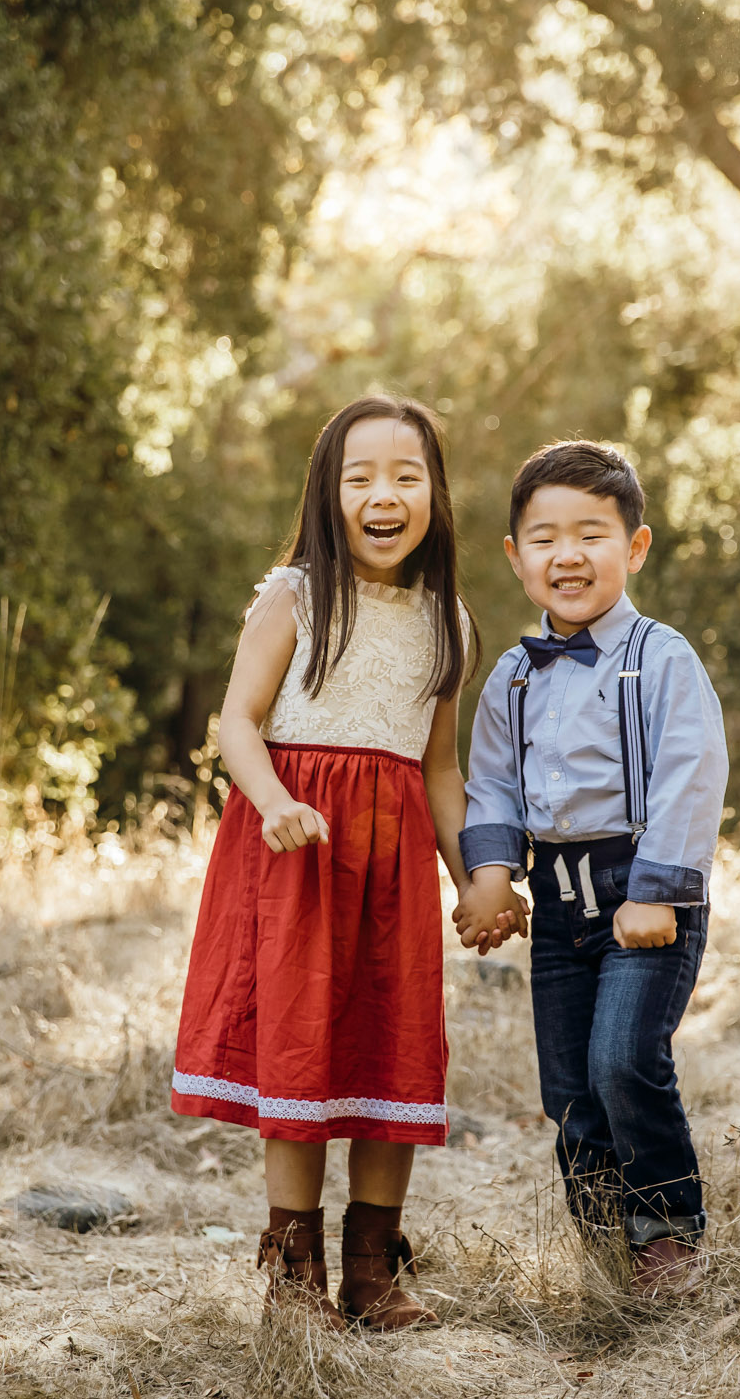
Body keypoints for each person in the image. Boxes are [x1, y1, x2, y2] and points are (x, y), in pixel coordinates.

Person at [170, 395, 496, 1330]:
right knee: (302, 1056)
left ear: (435, 494)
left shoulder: (451, 624)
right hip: (299, 855)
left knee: (395, 1053)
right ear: (327, 492)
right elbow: (236, 720)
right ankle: (293, 1276)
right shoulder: (295, 597)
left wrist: (474, 874)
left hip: (392, 871)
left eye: (406, 475)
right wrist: (273, 802)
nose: (384, 494)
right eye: (361, 476)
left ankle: (373, 1272)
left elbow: (440, 766)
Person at [454, 440, 728, 1299]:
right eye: (545, 538)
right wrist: (492, 872)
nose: (567, 555)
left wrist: (655, 892)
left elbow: (691, 771)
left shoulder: (662, 658)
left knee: (622, 1059)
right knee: (570, 1089)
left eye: (591, 535)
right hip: (558, 909)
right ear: (515, 557)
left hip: (640, 898)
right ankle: (605, 1246)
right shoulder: (511, 677)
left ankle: (667, 1234)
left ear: (635, 547)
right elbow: (493, 780)